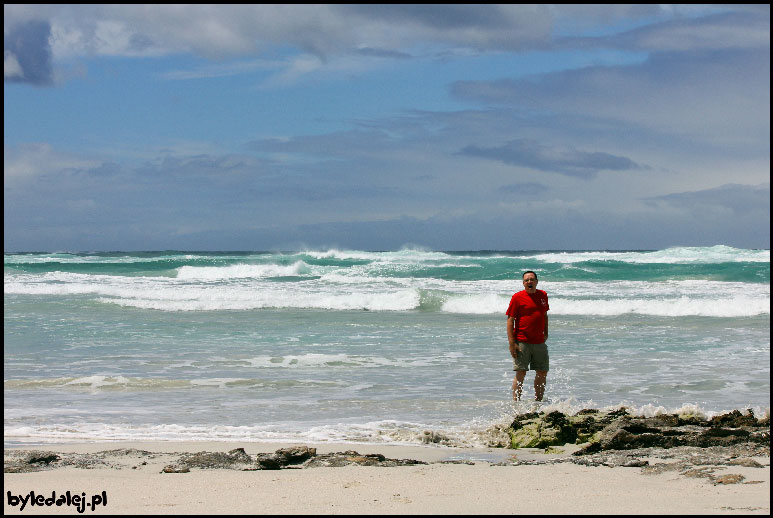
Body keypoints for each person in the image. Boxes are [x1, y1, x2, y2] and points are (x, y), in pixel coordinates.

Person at [506, 270, 549, 401]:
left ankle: (538, 401)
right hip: (522, 341)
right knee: (521, 372)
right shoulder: (517, 297)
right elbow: (510, 320)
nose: (529, 282)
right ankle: (516, 402)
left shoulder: (543, 295)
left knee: (542, 371)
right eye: (526, 280)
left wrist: (546, 332)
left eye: (532, 279)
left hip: (539, 342)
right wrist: (512, 343)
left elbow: (545, 315)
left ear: (537, 281)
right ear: (523, 283)